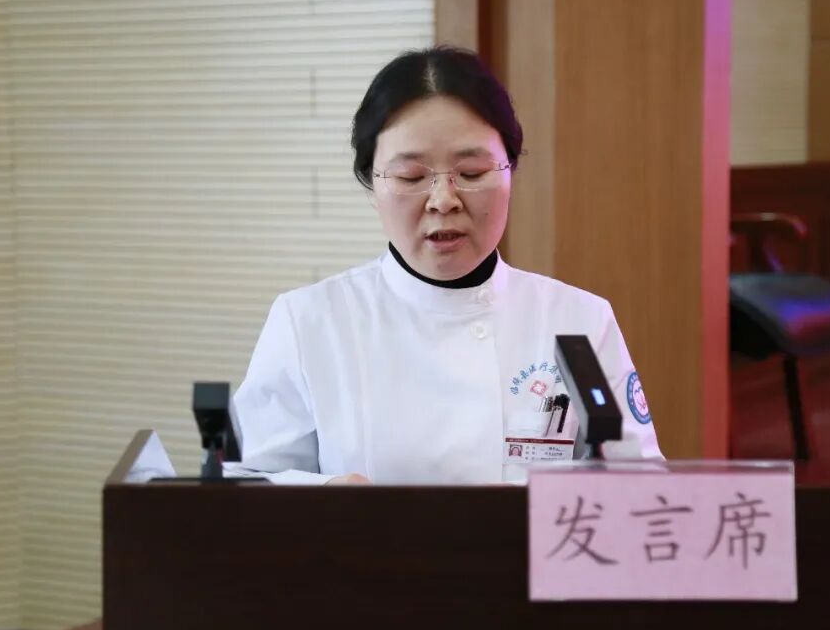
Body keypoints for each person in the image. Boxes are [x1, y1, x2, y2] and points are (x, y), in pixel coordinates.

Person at [232, 46, 662, 485]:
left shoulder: (579, 320)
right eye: (411, 177)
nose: (443, 200)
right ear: (371, 185)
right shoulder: (309, 322)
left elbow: (641, 489)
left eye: (472, 173)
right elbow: (246, 485)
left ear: (510, 171)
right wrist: (326, 494)